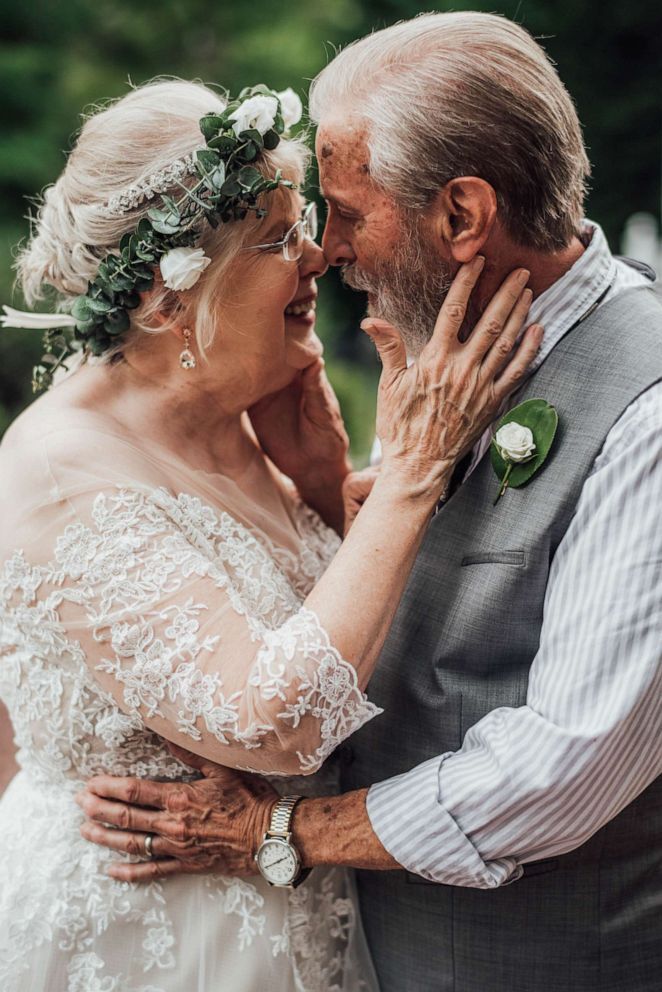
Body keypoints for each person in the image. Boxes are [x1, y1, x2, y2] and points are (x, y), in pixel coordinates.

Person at [80, 14, 662, 992]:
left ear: (462, 215)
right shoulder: (444, 351)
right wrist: (322, 486)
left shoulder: (644, 416)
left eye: (348, 211)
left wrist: (279, 833)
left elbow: (560, 768)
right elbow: (433, 622)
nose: (327, 251)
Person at [0, 76, 538, 991]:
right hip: (151, 939)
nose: (317, 257)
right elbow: (276, 721)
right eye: (278, 237)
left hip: (297, 919)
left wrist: (328, 485)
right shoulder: (64, 472)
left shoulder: (244, 416)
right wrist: (410, 473)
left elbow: (342, 624)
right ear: (168, 301)